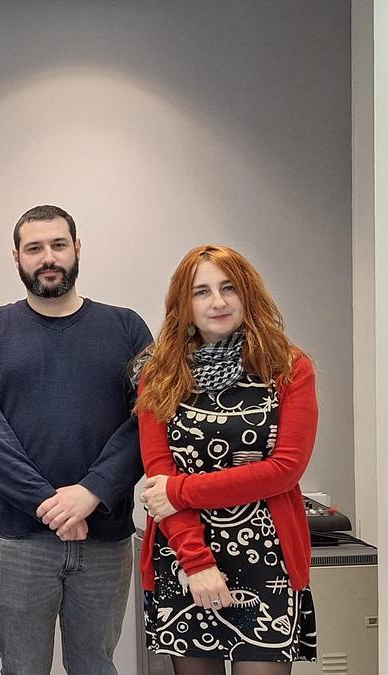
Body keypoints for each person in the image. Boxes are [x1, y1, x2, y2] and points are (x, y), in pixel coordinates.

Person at [0, 204, 152, 674]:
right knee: (22, 667)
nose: (48, 258)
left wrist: (91, 493)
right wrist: (49, 503)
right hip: (19, 536)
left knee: (95, 665)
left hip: (104, 535)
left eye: (58, 245)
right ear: (16, 257)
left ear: (77, 249)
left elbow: (148, 421)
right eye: (35, 248)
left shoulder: (127, 328)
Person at [135, 244, 318, 674]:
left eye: (228, 288)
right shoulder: (159, 374)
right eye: (201, 292)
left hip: (267, 559)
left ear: (247, 294)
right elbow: (157, 472)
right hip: (185, 557)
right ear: (184, 304)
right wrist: (197, 563)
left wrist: (181, 490)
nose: (217, 302)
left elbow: (285, 470)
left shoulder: (288, 368)